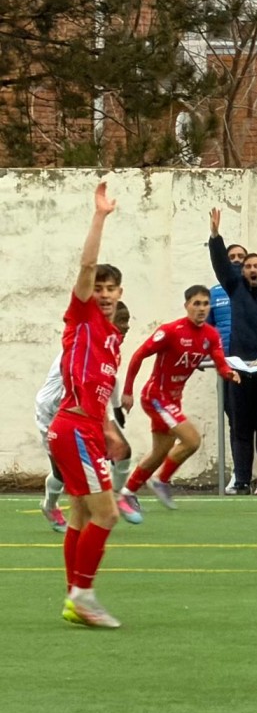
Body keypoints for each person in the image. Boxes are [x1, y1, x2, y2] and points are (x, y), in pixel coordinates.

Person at [46, 182, 127, 627]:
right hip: (73, 428)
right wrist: (100, 217)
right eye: (98, 287)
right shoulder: (81, 317)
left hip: (89, 429)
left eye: (111, 288)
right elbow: (87, 263)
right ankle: (84, 593)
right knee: (108, 512)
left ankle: (71, 598)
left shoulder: (113, 339)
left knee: (80, 511)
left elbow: (97, 389)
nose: (104, 293)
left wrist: (111, 429)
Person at [117, 285, 240, 512]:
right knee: (192, 440)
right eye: (196, 304)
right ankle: (160, 480)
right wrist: (127, 391)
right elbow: (138, 355)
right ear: (186, 306)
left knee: (159, 452)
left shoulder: (211, 335)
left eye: (205, 304)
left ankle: (126, 494)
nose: (202, 309)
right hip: (156, 396)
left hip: (172, 401)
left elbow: (220, 362)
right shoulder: (171, 331)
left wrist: (229, 373)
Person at [207, 208, 257, 495]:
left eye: (256, 265)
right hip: (239, 370)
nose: (251, 269)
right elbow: (220, 265)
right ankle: (241, 478)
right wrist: (215, 237)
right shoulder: (235, 289)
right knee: (240, 426)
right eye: (247, 266)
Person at [36, 302, 136, 531]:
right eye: (122, 323)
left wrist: (117, 407)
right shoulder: (81, 346)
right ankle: (50, 506)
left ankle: (117, 497)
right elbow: (74, 383)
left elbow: (110, 377)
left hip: (86, 412)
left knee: (123, 452)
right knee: (61, 473)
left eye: (127, 324)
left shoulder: (108, 347)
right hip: (55, 411)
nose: (126, 328)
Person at [208, 241, 246, 493]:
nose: (235, 259)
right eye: (231, 256)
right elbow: (207, 328)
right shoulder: (214, 292)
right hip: (225, 363)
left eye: (240, 256)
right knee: (234, 419)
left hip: (252, 362)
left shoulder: (252, 288)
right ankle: (239, 473)